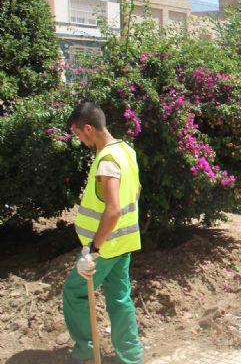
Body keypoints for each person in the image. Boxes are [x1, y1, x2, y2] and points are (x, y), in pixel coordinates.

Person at [63, 102, 143, 364]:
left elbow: (113, 210)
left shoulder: (107, 160)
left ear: (88, 128)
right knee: (119, 298)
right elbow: (137, 188)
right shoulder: (125, 150)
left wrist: (93, 250)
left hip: (105, 248)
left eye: (78, 134)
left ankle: (86, 350)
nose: (79, 139)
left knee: (75, 293)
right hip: (124, 243)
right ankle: (130, 356)